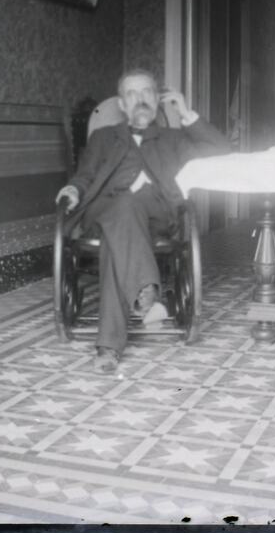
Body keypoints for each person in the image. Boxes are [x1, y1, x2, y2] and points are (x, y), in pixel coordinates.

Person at [56, 69, 229, 373]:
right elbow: (85, 176)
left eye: (147, 91)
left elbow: (222, 152)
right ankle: (146, 292)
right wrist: (73, 189)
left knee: (117, 239)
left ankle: (110, 346)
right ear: (122, 104)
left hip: (156, 216)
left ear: (157, 99)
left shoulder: (174, 139)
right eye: (132, 94)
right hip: (104, 210)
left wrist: (186, 113)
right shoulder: (102, 137)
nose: (140, 99)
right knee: (122, 209)